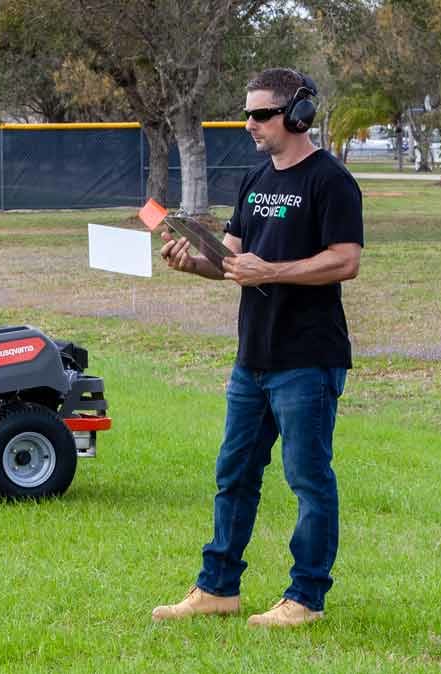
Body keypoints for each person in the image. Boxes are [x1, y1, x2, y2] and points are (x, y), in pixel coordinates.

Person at [150, 68, 364, 628]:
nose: (249, 124)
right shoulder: (255, 180)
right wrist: (189, 261)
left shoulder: (331, 181)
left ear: (297, 116)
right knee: (235, 472)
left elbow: (346, 260)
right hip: (254, 358)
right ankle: (218, 588)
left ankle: (307, 598)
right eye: (246, 113)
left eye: (261, 114)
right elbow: (229, 262)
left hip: (308, 359)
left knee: (308, 478)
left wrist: (274, 269)